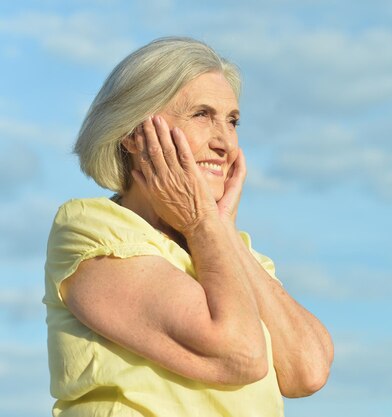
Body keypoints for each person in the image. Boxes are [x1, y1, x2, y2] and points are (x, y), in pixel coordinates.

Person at [43, 36, 333, 417]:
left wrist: (219, 230)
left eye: (232, 121)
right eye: (202, 115)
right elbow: (240, 353)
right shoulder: (91, 228)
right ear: (134, 133)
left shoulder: (227, 247)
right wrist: (202, 223)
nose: (226, 143)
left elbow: (308, 370)